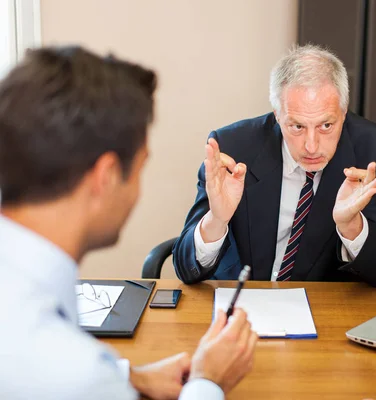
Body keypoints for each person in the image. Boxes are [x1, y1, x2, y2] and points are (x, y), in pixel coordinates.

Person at [0, 46, 258, 400]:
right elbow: (64, 375)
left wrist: (127, 377)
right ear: (105, 176)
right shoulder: (69, 370)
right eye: (139, 168)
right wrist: (208, 381)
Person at [172, 44, 376, 287]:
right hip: (241, 301)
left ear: (343, 113)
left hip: (321, 310)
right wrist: (216, 220)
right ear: (277, 115)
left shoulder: (374, 153)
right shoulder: (232, 148)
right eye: (297, 127)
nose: (311, 146)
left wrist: (351, 225)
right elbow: (185, 270)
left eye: (326, 125)